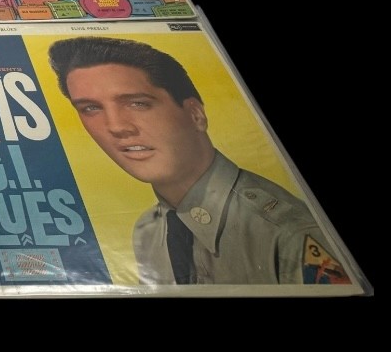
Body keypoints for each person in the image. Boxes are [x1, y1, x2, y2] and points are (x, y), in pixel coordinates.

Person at [47, 37, 351, 286]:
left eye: (138, 103)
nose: (116, 127)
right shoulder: (148, 231)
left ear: (195, 114)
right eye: (90, 108)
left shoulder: (289, 234)